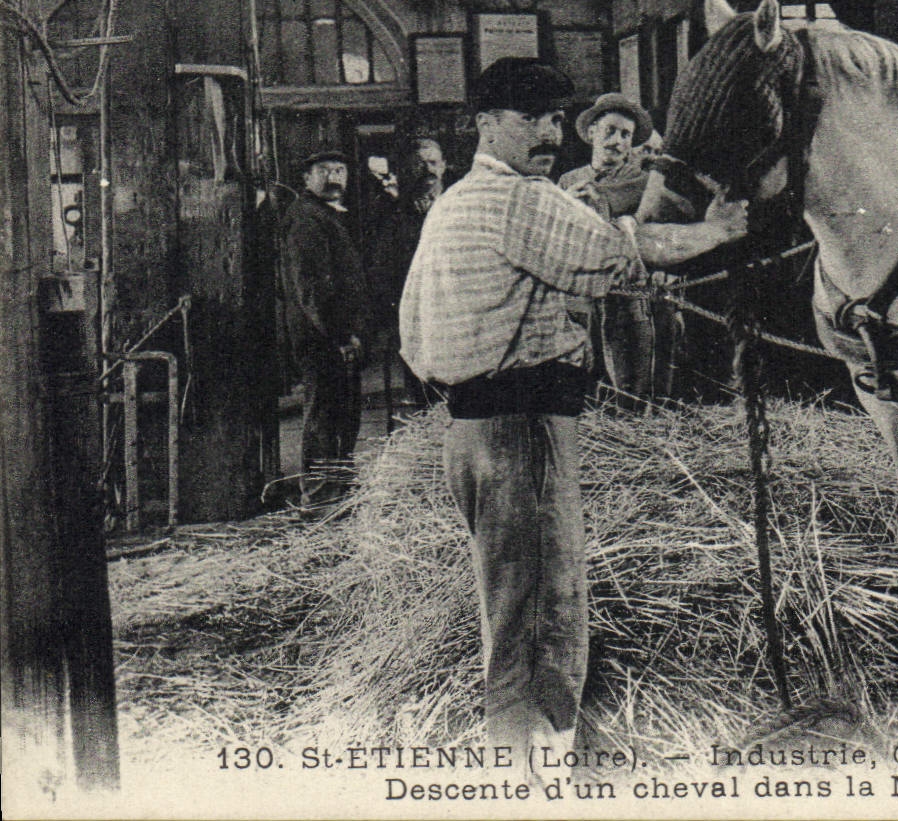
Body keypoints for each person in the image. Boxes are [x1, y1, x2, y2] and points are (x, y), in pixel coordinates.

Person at [397, 58, 748, 773]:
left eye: (557, 119)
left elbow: (410, 333)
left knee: (511, 606)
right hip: (525, 430)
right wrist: (721, 229)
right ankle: (532, 775)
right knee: (541, 618)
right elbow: (627, 253)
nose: (550, 134)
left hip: (469, 433)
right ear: (485, 124)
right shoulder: (522, 199)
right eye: (531, 119)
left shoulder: (451, 207)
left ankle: (532, 760)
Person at [279, 148, 369, 512]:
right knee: (325, 415)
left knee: (341, 414)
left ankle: (337, 489)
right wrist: (340, 336)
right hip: (323, 338)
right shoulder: (306, 219)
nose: (334, 177)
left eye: (340, 169)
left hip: (335, 336)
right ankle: (318, 497)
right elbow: (312, 289)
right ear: (305, 178)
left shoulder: (326, 215)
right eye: (323, 170)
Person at [559, 94, 660, 396]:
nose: (616, 141)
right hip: (580, 297)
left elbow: (656, 234)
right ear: (592, 133)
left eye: (625, 135)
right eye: (610, 131)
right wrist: (568, 206)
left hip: (628, 298)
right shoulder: (568, 181)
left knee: (629, 376)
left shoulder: (644, 184)